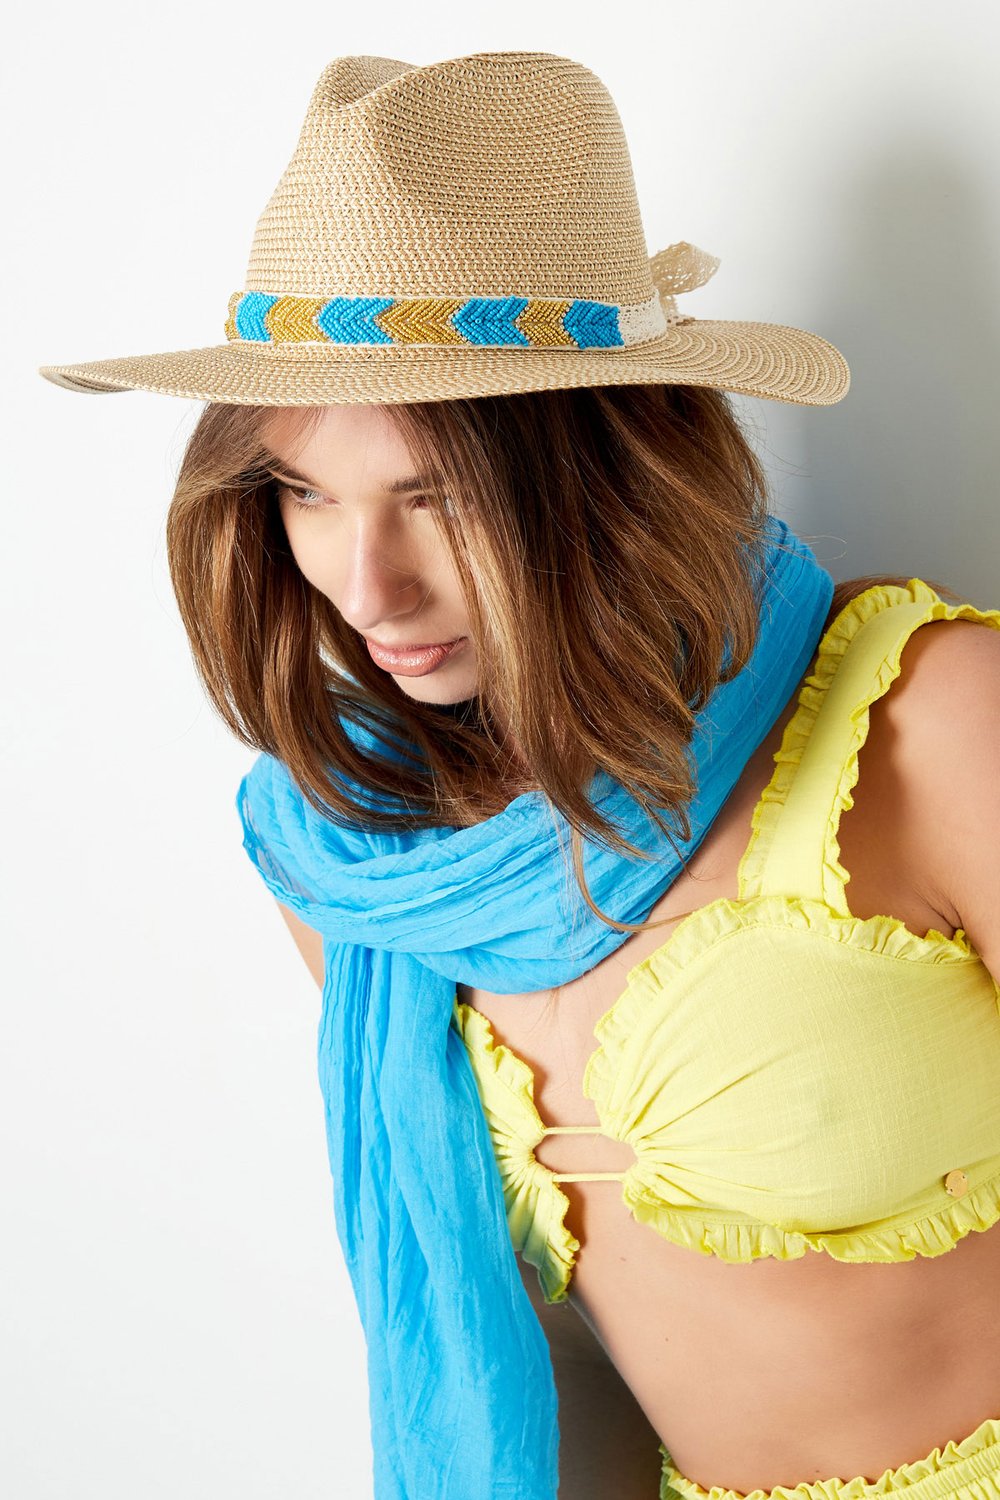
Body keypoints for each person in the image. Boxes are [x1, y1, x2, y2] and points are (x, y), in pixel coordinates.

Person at [38, 48, 1000, 1500]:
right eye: (306, 494)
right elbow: (550, 1360)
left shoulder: (931, 720)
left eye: (433, 497)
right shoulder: (364, 863)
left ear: (608, 466)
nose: (368, 583)